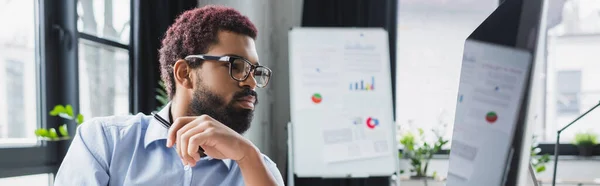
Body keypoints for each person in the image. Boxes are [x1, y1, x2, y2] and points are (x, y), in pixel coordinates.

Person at [54, 5, 283, 186]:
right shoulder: (106, 143)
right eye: (237, 66)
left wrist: (248, 157)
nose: (252, 82)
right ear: (185, 73)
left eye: (255, 71)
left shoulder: (259, 169)